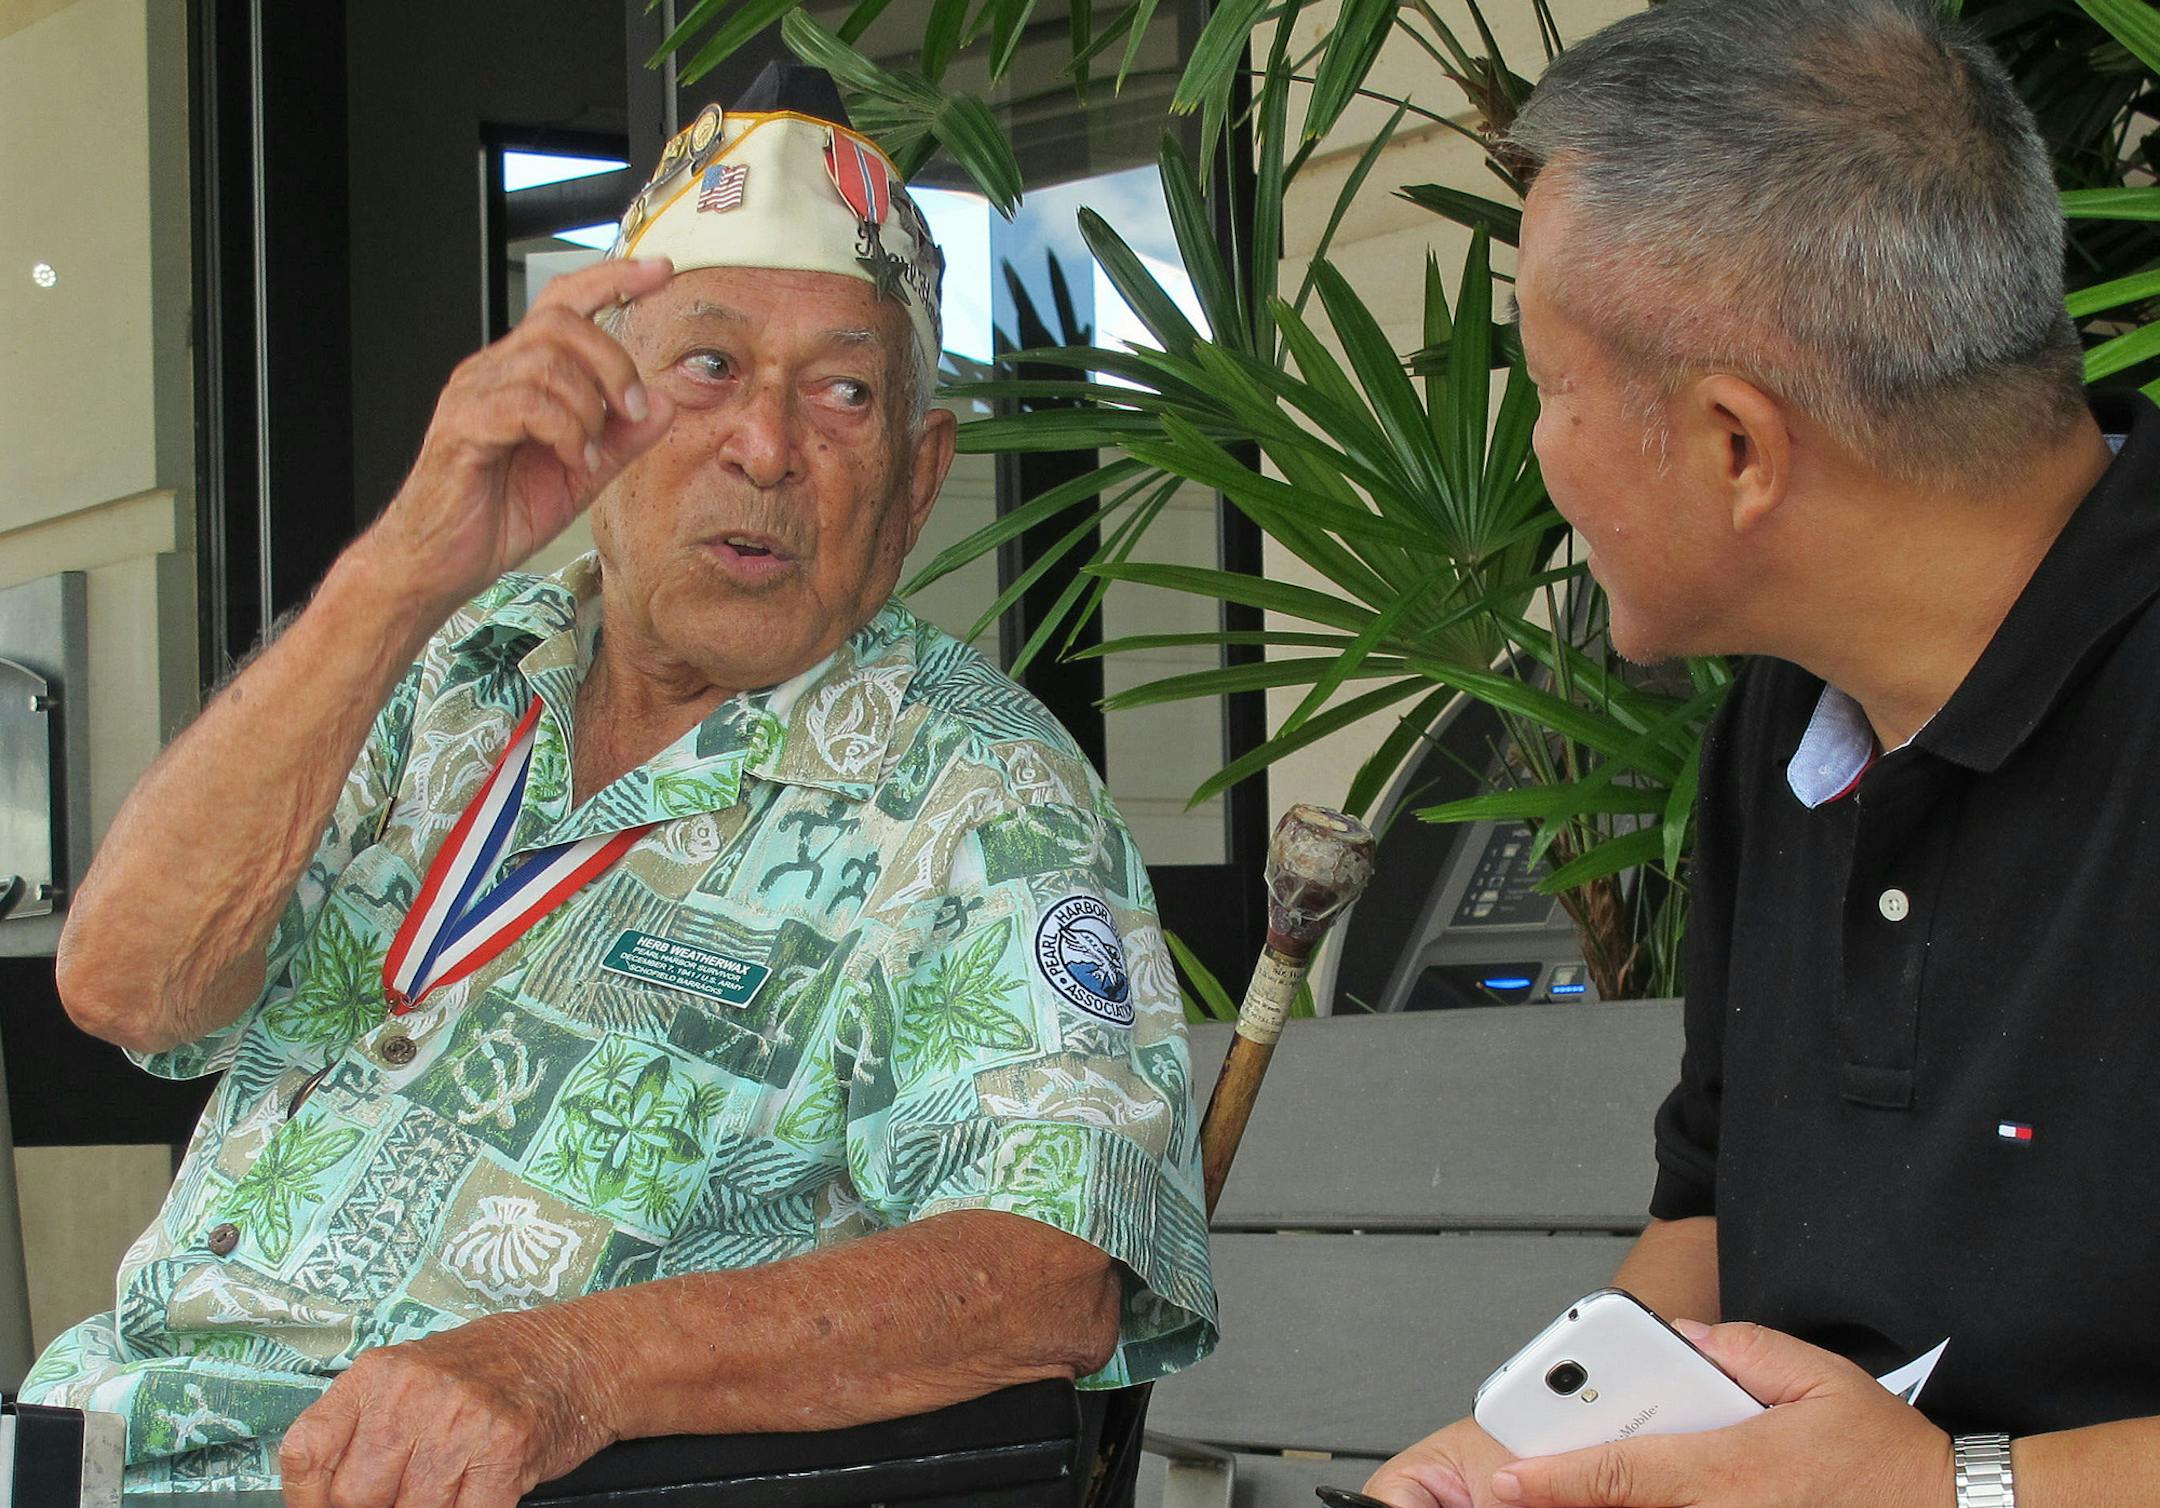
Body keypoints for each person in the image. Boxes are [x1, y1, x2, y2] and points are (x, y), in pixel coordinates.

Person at [24, 67, 1215, 1502]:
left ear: (917, 476)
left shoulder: (978, 792)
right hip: (100, 1443)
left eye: (843, 392)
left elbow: (1047, 1270)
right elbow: (129, 986)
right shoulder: (445, 669)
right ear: (600, 412)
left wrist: (564, 1368)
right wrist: (406, 564)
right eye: (708, 370)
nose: (767, 446)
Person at [1363, 2, 2160, 1505]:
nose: (1534, 453)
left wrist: (1963, 1491)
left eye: (1548, 385)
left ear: (1737, 445)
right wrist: (1512, 1464)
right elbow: (1716, 1210)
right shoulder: (1786, 723)